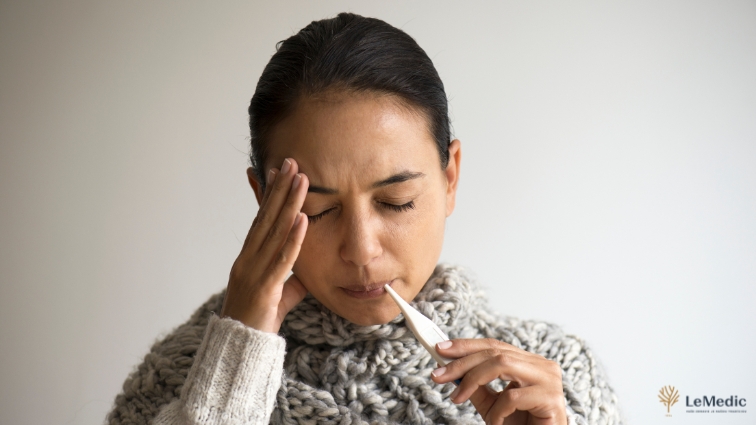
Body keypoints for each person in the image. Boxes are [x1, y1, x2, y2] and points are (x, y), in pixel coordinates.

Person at [107, 12, 622, 425]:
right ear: (265, 202)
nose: (361, 249)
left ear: (450, 179)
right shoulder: (179, 379)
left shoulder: (559, 386)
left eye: (395, 201)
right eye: (319, 210)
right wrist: (228, 382)